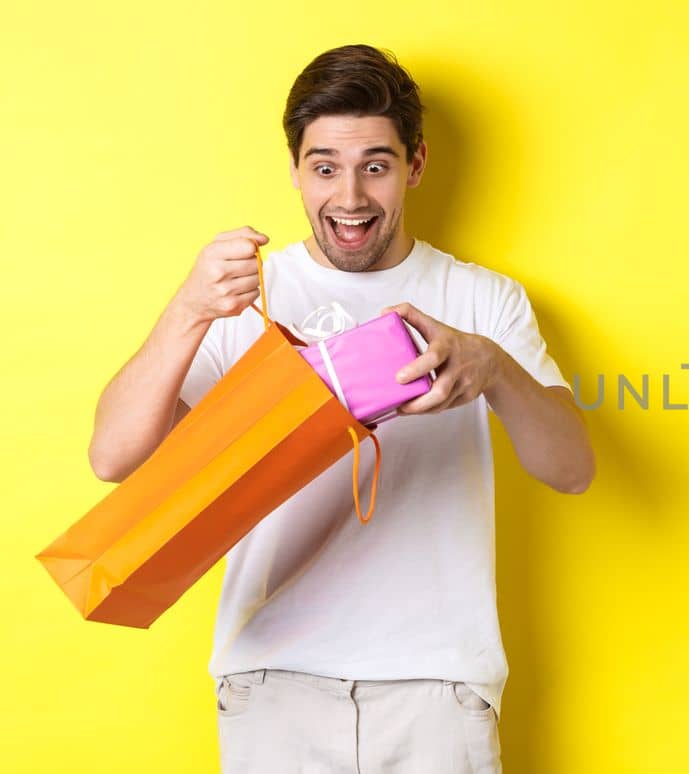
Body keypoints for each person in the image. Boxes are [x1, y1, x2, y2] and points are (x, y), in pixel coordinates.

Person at [85, 43, 595, 773]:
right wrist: (190, 308)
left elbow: (573, 470)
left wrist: (494, 370)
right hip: (271, 681)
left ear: (414, 165)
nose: (350, 198)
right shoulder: (243, 301)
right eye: (325, 167)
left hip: (437, 685)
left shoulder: (484, 300)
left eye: (376, 166)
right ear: (295, 169)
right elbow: (113, 456)